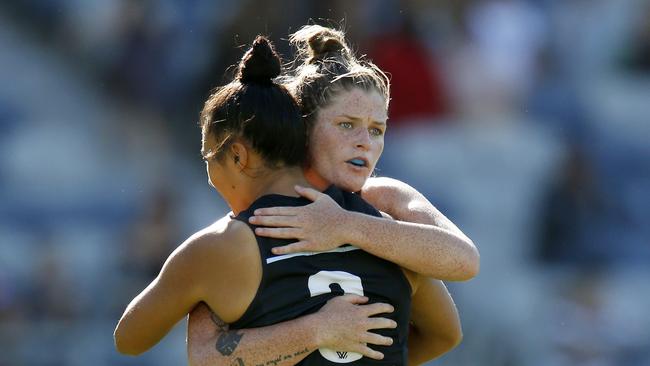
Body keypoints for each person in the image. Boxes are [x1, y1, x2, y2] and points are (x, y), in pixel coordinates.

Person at [185, 25, 478, 365]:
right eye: (346, 125)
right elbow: (204, 356)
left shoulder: (382, 200)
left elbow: (464, 261)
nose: (364, 142)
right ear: (303, 126)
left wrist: (343, 225)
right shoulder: (257, 218)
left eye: (377, 130)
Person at [116, 36, 411, 365]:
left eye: (208, 159)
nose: (211, 177)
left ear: (238, 157)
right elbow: (447, 333)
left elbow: (129, 338)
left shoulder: (217, 248)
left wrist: (202, 302)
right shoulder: (387, 231)